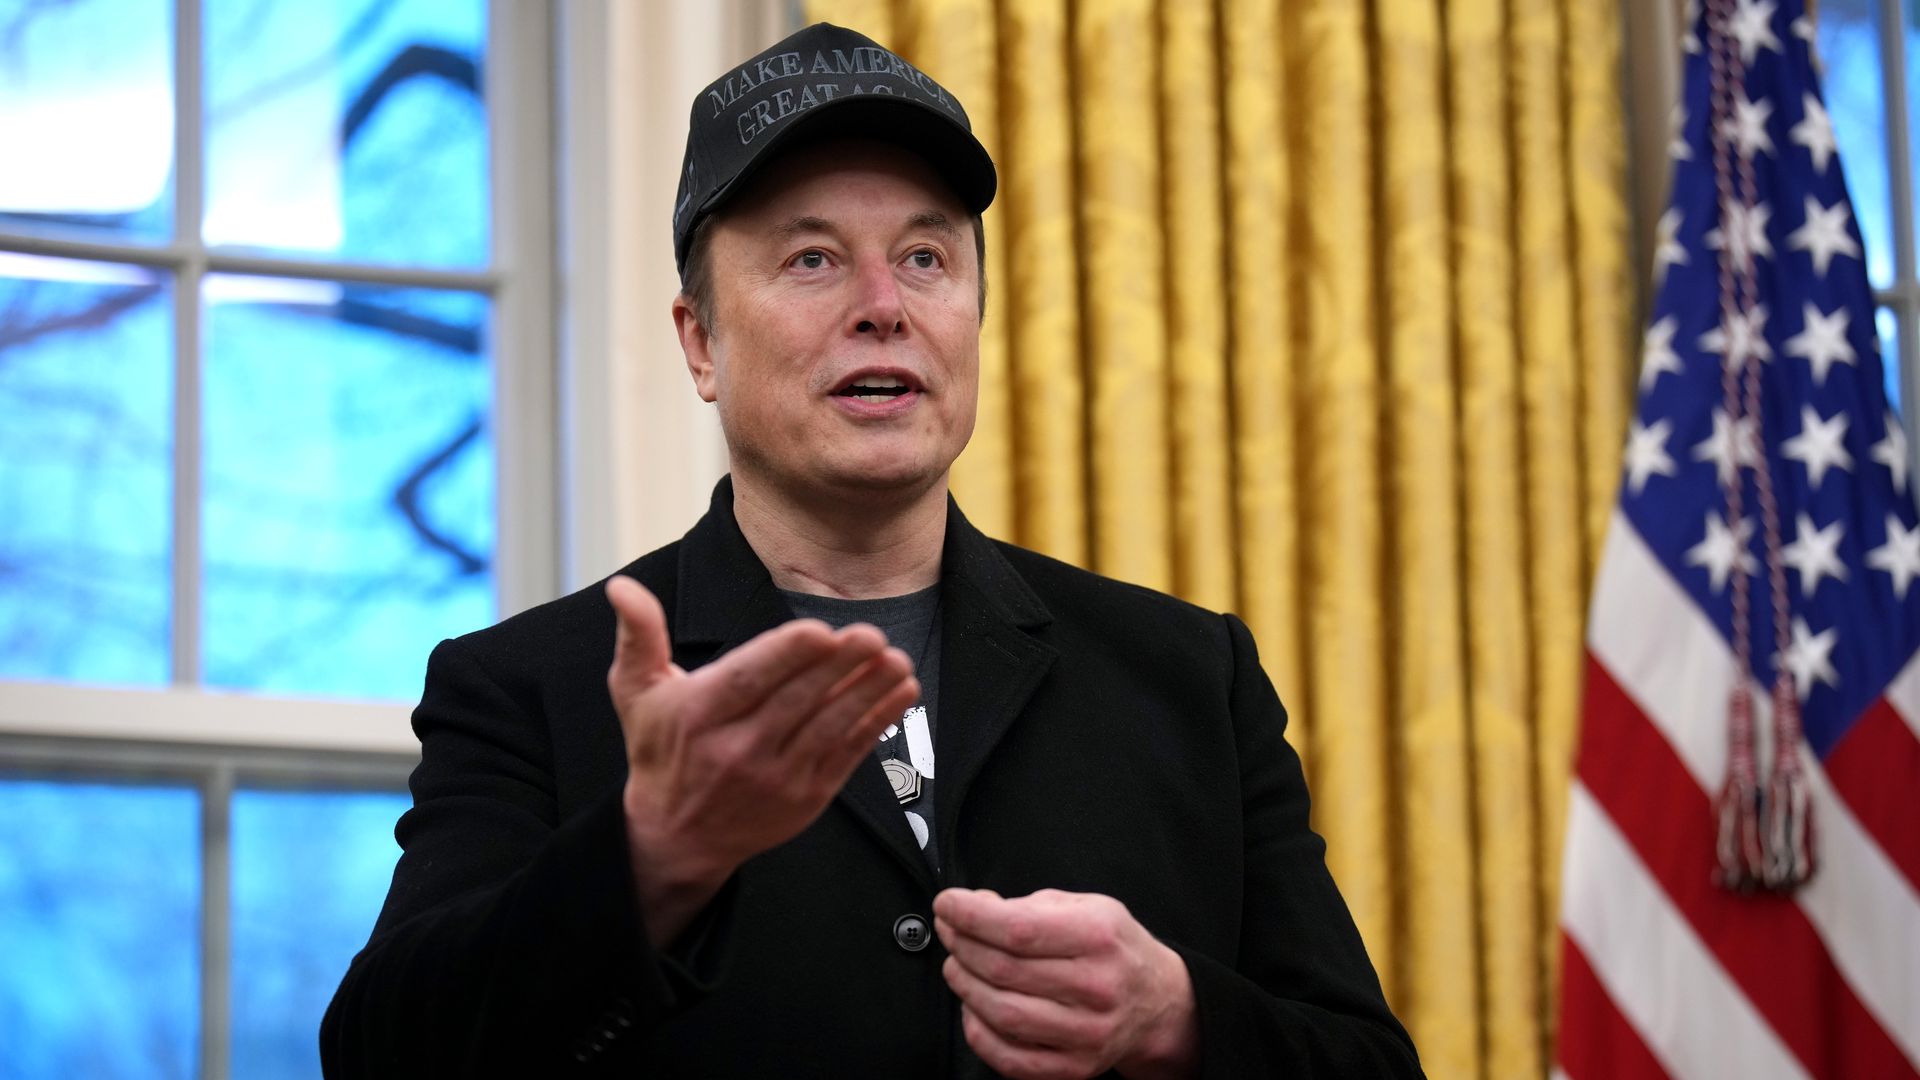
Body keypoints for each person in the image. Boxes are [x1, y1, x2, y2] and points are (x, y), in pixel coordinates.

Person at [321, 21, 1420, 1079]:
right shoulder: (527, 690)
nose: (884, 306)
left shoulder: (1190, 677)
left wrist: (1177, 1017)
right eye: (811, 259)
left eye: (926, 256)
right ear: (701, 342)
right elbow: (383, 1056)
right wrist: (649, 856)